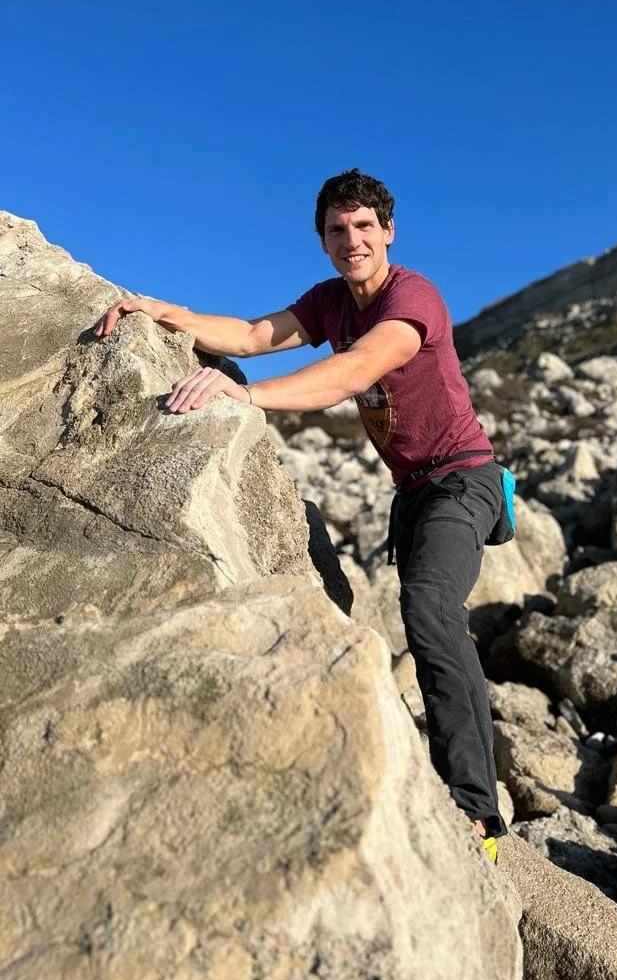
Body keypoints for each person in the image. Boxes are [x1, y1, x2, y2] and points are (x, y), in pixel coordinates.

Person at [94, 168, 508, 861]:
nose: (353, 241)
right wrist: (162, 312)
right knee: (412, 618)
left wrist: (247, 401)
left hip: (464, 482)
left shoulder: (413, 297)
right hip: (412, 492)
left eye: (365, 227)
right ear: (323, 241)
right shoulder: (330, 301)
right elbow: (255, 334)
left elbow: (355, 371)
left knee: (431, 607)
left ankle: (477, 814)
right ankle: (428, 771)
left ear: (388, 232)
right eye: (338, 230)